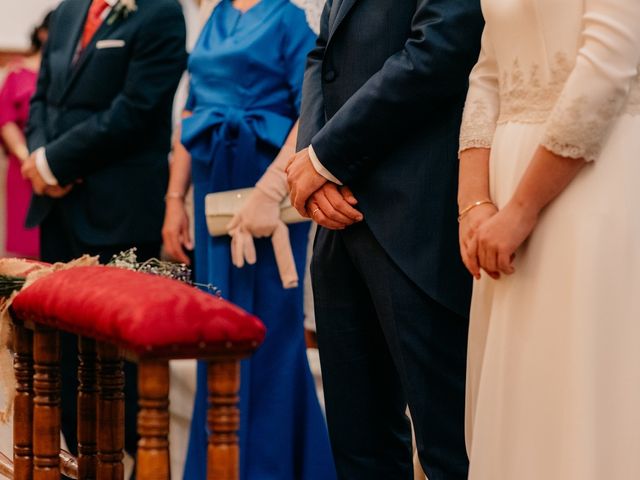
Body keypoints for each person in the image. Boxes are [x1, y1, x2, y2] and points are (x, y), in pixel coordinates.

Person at [287, 0, 484, 478]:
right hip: (337, 219)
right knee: (358, 446)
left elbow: (439, 49)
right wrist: (313, 156)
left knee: (447, 445)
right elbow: (323, 54)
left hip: (413, 209)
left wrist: (327, 158)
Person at [457, 1, 640, 479]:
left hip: (591, 181)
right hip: (501, 197)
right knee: (523, 392)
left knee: (582, 381)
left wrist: (523, 208)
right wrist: (473, 202)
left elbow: (608, 65)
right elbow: (487, 73)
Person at [161, 0, 335, 478]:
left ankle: (272, 464)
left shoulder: (288, 19)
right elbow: (192, 110)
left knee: (269, 328)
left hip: (264, 183)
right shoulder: (215, 14)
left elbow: (311, 106)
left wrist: (272, 185)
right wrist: (175, 199)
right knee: (216, 326)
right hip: (211, 182)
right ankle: (217, 461)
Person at [22, 0, 187, 464]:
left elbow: (135, 110)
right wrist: (41, 158)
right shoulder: (69, 10)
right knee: (60, 344)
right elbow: (43, 96)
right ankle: (74, 456)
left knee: (116, 356)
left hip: (118, 207)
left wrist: (58, 161)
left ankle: (129, 460)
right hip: (58, 204)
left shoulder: (160, 13)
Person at [0, 13, 50, 258]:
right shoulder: (18, 71)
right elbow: (5, 118)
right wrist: (26, 157)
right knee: (26, 243)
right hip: (23, 164)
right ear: (43, 33)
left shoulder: (70, 73)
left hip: (59, 159)